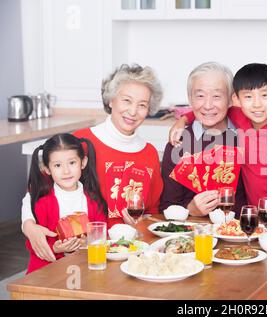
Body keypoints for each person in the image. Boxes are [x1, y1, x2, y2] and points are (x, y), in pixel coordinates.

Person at [21, 64, 164, 263]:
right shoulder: (81, 143)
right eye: (126, 100)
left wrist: (142, 221)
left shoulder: (149, 153)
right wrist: (28, 225)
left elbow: (153, 210)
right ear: (111, 100)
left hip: (131, 250)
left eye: (142, 104)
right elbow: (36, 190)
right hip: (81, 251)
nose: (133, 111)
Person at [169, 63, 267, 215]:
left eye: (264, 95)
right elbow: (210, 110)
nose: (257, 104)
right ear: (236, 99)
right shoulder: (239, 116)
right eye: (248, 97)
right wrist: (183, 120)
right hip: (254, 215)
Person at [159, 62, 246, 216]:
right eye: (200, 96)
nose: (207, 105)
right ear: (190, 99)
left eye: (217, 96)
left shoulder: (247, 136)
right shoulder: (178, 143)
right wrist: (190, 210)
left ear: (231, 99)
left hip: (240, 234)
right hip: (194, 234)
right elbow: (166, 207)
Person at [26, 133, 107, 273]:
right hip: (46, 273)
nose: (66, 171)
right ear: (47, 169)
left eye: (72, 163)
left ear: (83, 162)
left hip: (84, 269)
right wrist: (56, 248)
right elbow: (34, 243)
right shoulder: (42, 202)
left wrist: (87, 243)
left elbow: (100, 235)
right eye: (57, 165)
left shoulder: (94, 200)